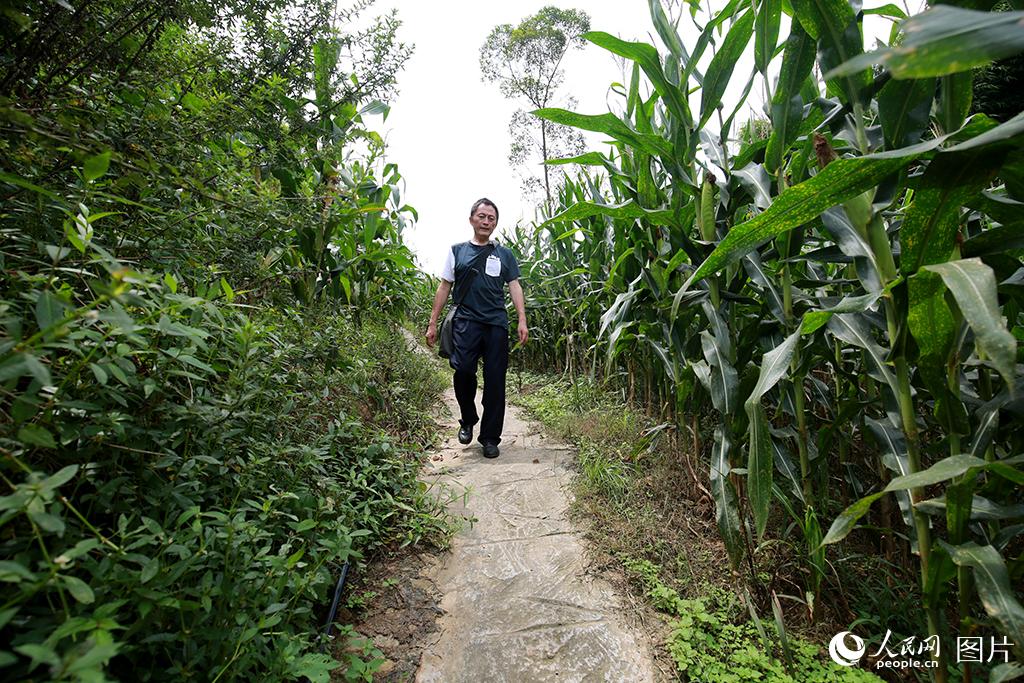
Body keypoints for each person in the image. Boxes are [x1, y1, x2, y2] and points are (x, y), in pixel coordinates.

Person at [425, 198, 528, 458]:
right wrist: (432, 322)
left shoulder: (504, 254)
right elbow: (444, 287)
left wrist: (522, 319)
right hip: (466, 322)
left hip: (495, 324)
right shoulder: (457, 251)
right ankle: (468, 418)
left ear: (495, 223)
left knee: (495, 381)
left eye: (491, 218)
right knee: (463, 371)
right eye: (481, 216)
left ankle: (490, 437)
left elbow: (514, 285)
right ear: (471, 219)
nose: (486, 221)